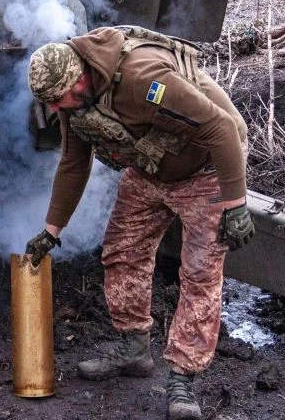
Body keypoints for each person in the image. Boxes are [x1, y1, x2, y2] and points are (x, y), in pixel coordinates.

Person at [25, 25, 255, 420]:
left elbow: (222, 128)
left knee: (199, 274)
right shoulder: (75, 102)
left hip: (206, 172)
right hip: (149, 172)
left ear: (80, 79)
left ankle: (183, 378)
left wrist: (236, 203)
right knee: (122, 252)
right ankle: (133, 347)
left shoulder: (141, 77)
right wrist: (50, 232)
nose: (58, 109)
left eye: (59, 100)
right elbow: (73, 164)